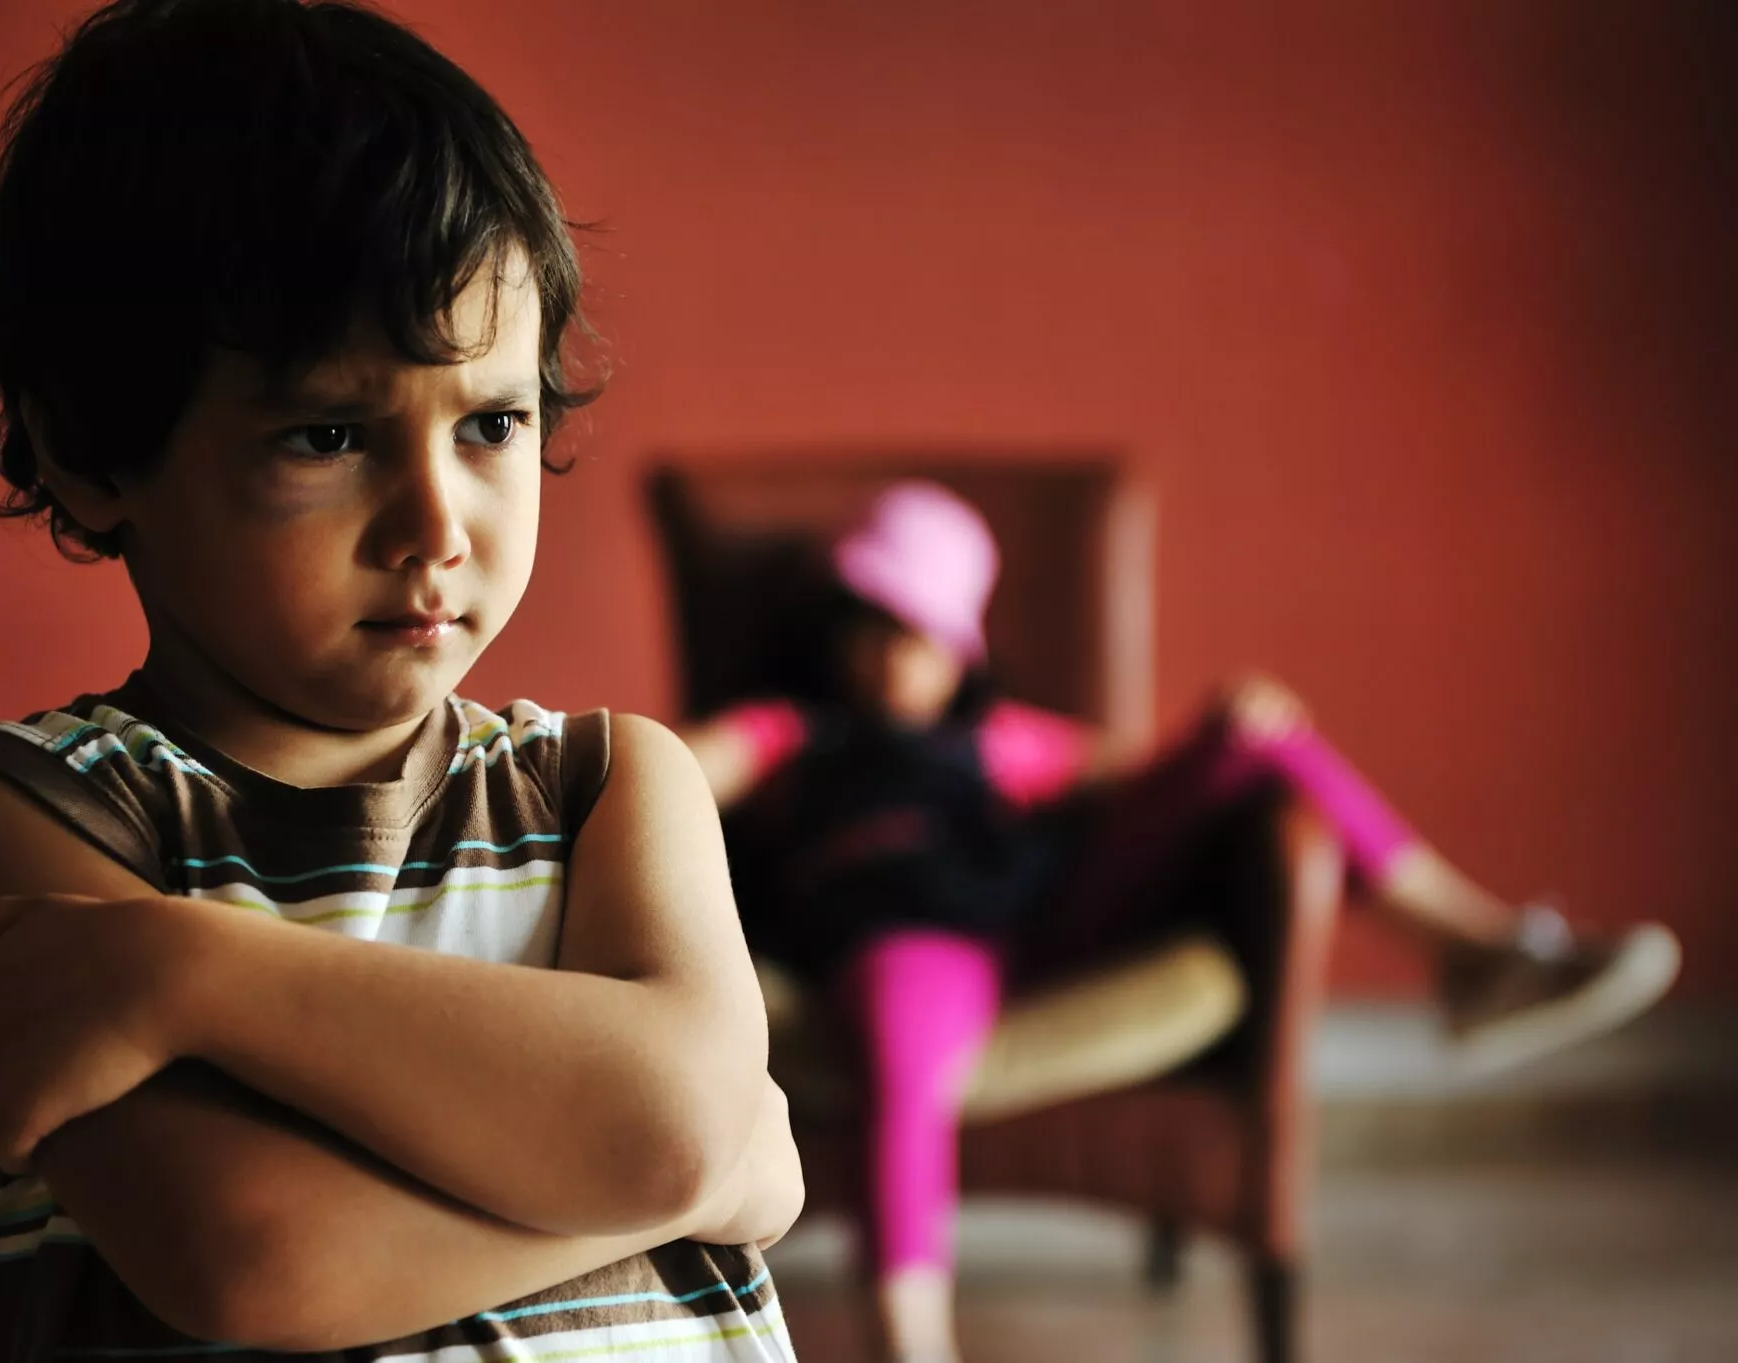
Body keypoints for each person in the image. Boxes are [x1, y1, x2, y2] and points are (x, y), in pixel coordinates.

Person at [0, 3, 802, 1359]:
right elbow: (259, 1258)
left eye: (491, 422)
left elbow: (680, 1120)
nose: (438, 525)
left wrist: (183, 972)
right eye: (328, 432)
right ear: (86, 448)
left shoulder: (607, 786)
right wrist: (695, 1176)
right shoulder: (16, 818)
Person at [682, 480, 1680, 1363]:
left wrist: (1222, 733)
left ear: (957, 646)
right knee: (898, 1034)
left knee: (1252, 740)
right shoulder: (793, 730)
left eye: (912, 631)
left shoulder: (996, 737)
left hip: (1039, 916)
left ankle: (1471, 949)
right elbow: (683, 767)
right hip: (906, 943)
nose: (885, 656)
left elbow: (1125, 773)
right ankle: (913, 1338)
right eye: (865, 625)